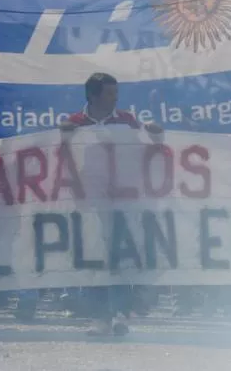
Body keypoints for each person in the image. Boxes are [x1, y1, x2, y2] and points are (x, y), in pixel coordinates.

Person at [62, 73, 162, 336]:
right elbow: (61, 159)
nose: (115, 98)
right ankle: (99, 317)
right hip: (91, 202)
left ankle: (120, 314)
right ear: (93, 95)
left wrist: (155, 135)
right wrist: (64, 139)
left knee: (120, 257)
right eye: (109, 94)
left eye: (116, 93)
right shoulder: (73, 124)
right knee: (96, 258)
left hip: (123, 200)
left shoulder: (127, 120)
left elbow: (147, 150)